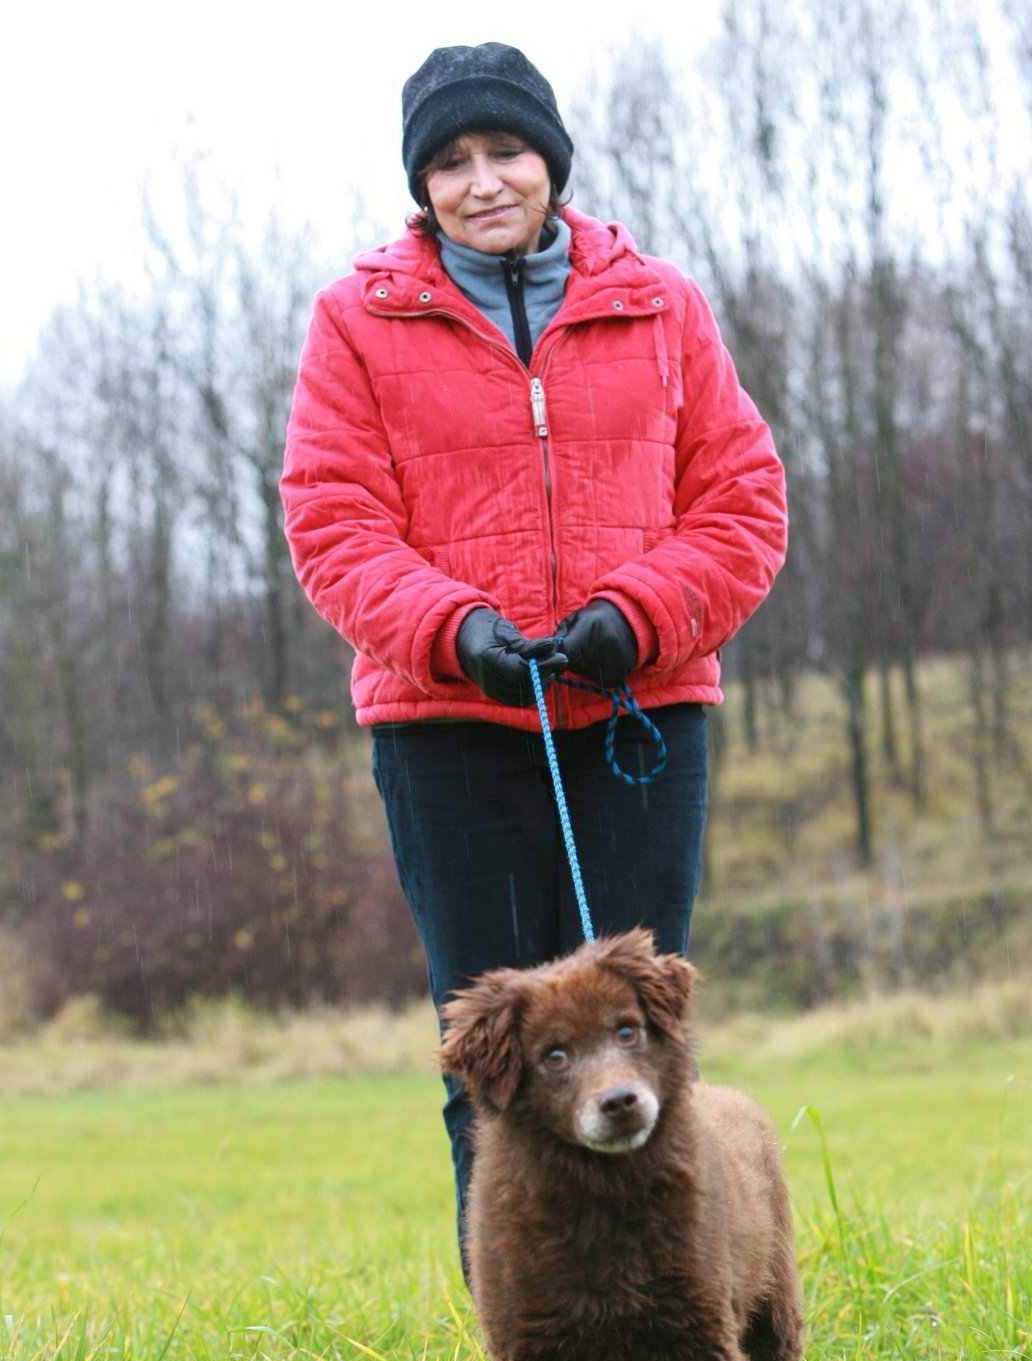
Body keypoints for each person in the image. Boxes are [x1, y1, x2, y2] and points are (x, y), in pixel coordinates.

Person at [281, 42, 787, 1266]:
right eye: (449, 163)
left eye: (505, 150)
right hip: (446, 732)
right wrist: (455, 632)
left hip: (635, 722)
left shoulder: (662, 303)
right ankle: (534, 1346)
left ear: (549, 161)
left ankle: (674, 1319)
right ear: (423, 186)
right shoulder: (356, 321)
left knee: (635, 1038)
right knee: (498, 1062)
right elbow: (331, 521)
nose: (482, 181)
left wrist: (640, 615)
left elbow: (742, 501)